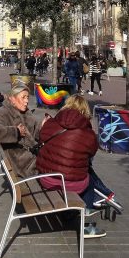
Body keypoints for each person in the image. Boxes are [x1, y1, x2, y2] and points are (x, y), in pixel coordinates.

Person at [35, 95, 110, 239]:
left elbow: (42, 140)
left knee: (72, 169)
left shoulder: (50, 123)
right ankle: (86, 224)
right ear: (84, 111)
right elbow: (92, 153)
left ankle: (69, 213)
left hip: (46, 179)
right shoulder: (88, 133)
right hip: (68, 184)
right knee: (88, 178)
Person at [0, 81, 46, 177]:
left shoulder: (25, 111)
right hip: (24, 164)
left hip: (31, 157)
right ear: (12, 99)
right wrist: (16, 132)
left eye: (27, 97)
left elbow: (34, 130)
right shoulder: (4, 112)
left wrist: (44, 126)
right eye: (23, 97)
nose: (26, 101)